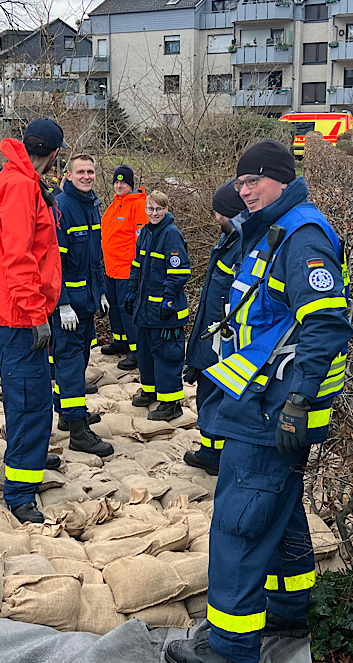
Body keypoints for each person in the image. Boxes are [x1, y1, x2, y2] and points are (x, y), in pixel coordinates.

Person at [166, 140, 351, 663]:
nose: (243, 191)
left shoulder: (301, 235)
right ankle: (288, 613)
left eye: (252, 181)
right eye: (240, 182)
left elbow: (327, 322)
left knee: (239, 526)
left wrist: (297, 401)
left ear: (279, 179)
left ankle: (228, 648)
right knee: (280, 511)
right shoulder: (275, 228)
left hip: (272, 413)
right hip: (262, 405)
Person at [0, 118, 67, 525]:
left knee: (25, 395)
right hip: (18, 314)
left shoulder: (9, 178)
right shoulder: (21, 186)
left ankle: (26, 460)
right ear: (56, 153)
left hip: (9, 308)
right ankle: (21, 491)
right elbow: (19, 256)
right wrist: (35, 315)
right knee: (31, 402)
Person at [50, 154, 114, 456]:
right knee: (70, 365)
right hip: (69, 307)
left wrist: (101, 291)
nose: (87, 176)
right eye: (81, 172)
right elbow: (55, 263)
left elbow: (95, 257)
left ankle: (67, 413)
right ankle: (77, 430)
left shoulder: (92, 206)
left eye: (91, 171)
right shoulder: (63, 208)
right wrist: (62, 304)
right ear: (69, 175)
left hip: (87, 302)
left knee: (82, 360)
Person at [181, 179, 245, 476]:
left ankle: (216, 457)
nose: (215, 218)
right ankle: (211, 452)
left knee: (216, 399)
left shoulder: (242, 249)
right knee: (208, 397)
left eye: (218, 213)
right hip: (213, 339)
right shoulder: (229, 240)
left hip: (225, 345)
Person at [125, 190, 191, 422]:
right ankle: (151, 389)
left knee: (166, 354)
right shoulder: (144, 233)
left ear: (166, 209)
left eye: (158, 209)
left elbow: (180, 270)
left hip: (166, 311)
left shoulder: (170, 234)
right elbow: (136, 264)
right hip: (145, 309)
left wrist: (169, 297)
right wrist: (132, 291)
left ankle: (171, 402)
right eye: (150, 209)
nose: (154, 213)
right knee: (144, 352)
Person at [101, 165, 148, 371]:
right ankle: (120, 341)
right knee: (114, 309)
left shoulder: (138, 204)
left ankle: (136, 351)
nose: (119, 185)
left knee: (128, 310)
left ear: (131, 184)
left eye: (123, 182)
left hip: (127, 269)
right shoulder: (114, 205)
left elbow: (142, 239)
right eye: (117, 182)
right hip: (111, 268)